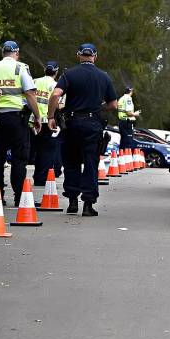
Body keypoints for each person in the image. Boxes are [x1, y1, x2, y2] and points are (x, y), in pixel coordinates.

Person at [47, 43, 117, 216]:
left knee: (71, 162)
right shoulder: (104, 77)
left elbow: (56, 94)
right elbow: (113, 104)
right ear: (95, 56)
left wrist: (51, 116)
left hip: (72, 123)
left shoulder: (69, 74)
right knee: (91, 163)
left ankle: (72, 201)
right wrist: (99, 107)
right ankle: (88, 203)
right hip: (93, 124)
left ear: (79, 55)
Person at [0, 41, 41, 206]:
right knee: (19, 158)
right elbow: (30, 94)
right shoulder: (20, 68)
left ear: (3, 53)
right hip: (16, 118)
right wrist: (37, 116)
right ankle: (19, 196)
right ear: (16, 53)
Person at [32, 61, 62, 186]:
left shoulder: (35, 81)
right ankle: (43, 177)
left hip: (34, 120)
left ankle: (38, 175)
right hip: (48, 121)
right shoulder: (56, 85)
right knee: (48, 151)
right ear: (56, 72)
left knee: (38, 150)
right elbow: (60, 105)